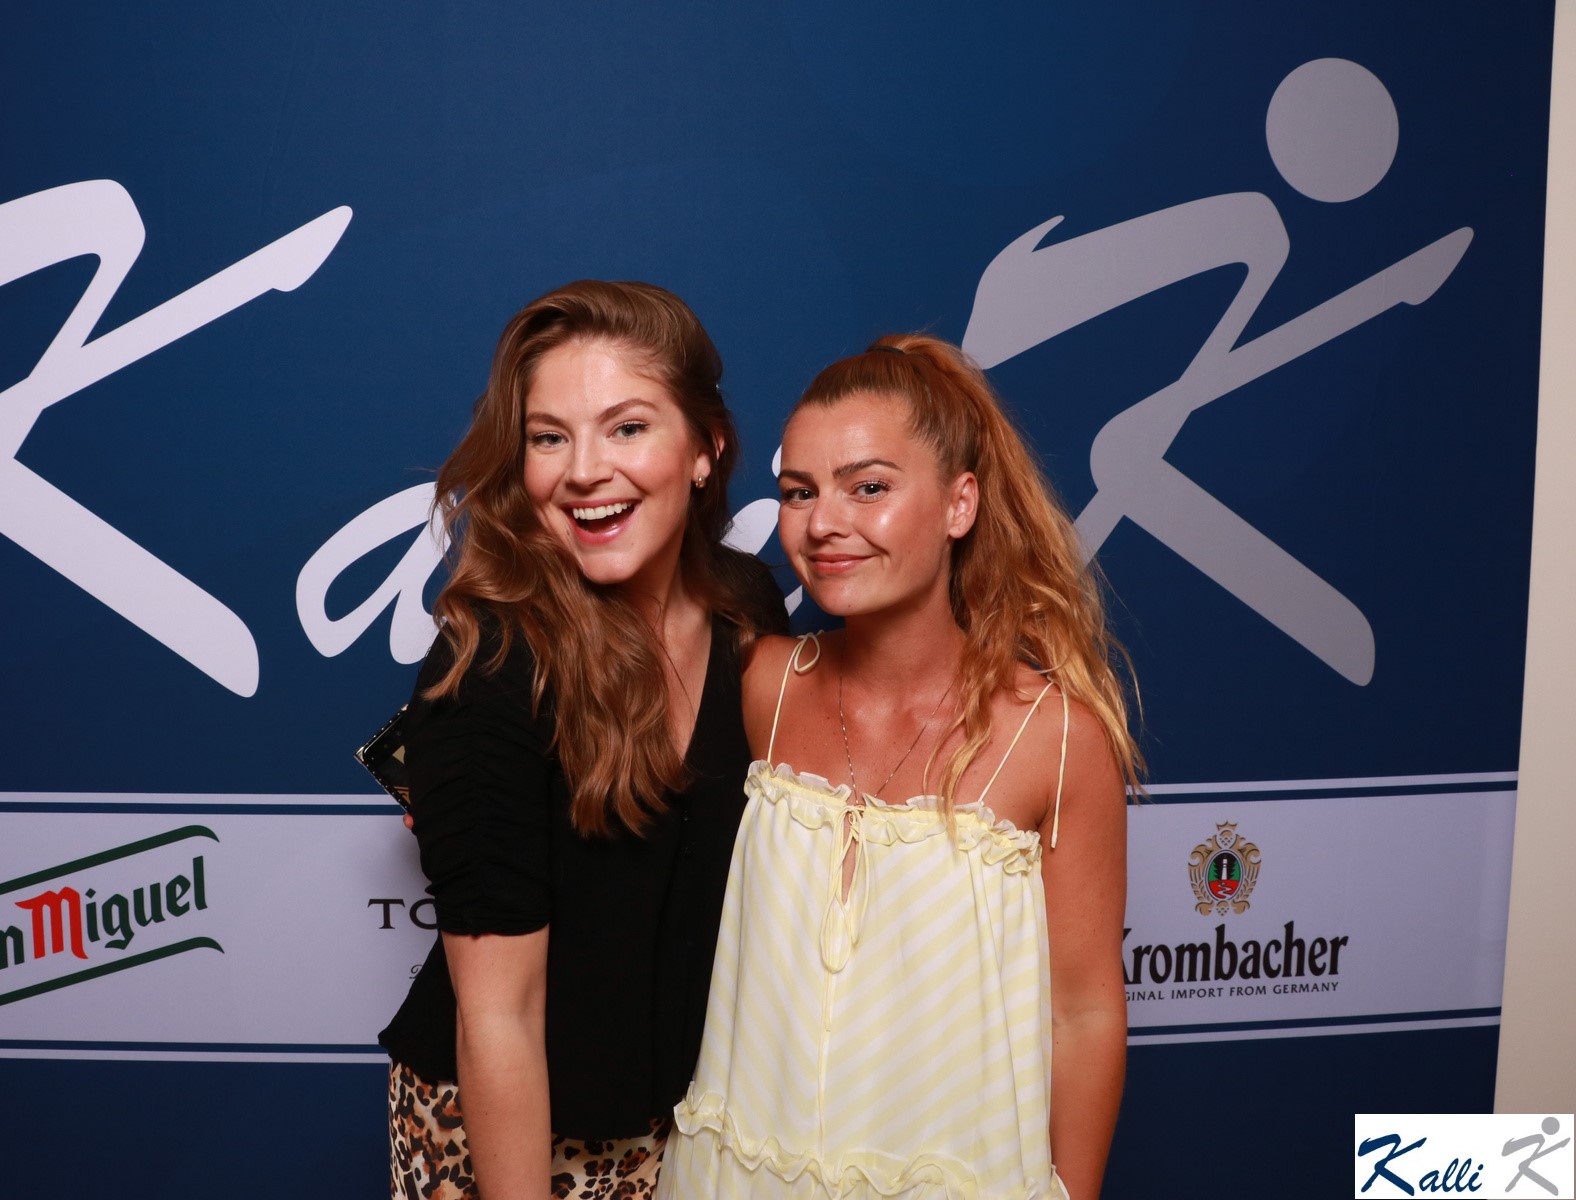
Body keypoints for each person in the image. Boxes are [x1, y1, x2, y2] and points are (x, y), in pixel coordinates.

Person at [660, 334, 1142, 1200]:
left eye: (869, 487)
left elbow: (1085, 1013)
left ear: (960, 504)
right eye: (799, 492)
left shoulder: (1056, 738)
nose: (823, 523)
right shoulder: (764, 684)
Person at [381, 280, 788, 1199]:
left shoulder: (748, 611)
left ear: (706, 448)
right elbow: (499, 1016)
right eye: (548, 437)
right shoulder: (490, 669)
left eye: (627, 428)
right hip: (509, 1134)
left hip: (686, 1118)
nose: (584, 471)